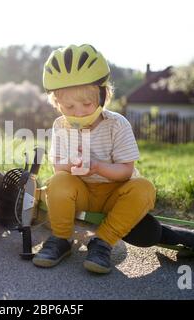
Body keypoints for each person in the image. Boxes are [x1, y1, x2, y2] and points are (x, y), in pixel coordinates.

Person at [32, 44, 156, 273]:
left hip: (114, 192)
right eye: (69, 106)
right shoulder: (61, 125)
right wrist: (73, 165)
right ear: (57, 104)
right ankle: (61, 239)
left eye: (87, 104)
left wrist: (97, 166)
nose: (78, 112)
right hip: (81, 193)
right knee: (57, 182)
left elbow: (126, 171)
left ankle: (103, 241)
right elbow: (58, 166)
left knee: (144, 189)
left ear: (102, 96)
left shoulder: (117, 125)